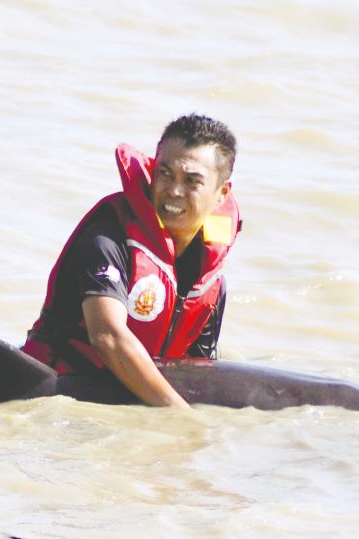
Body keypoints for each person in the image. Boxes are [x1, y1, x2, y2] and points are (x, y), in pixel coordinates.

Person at [21, 114, 241, 408]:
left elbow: (198, 374)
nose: (174, 191)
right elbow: (108, 337)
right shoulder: (108, 238)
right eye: (165, 173)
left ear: (221, 193)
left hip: (126, 408)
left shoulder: (211, 282)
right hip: (49, 399)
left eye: (191, 181)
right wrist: (181, 417)